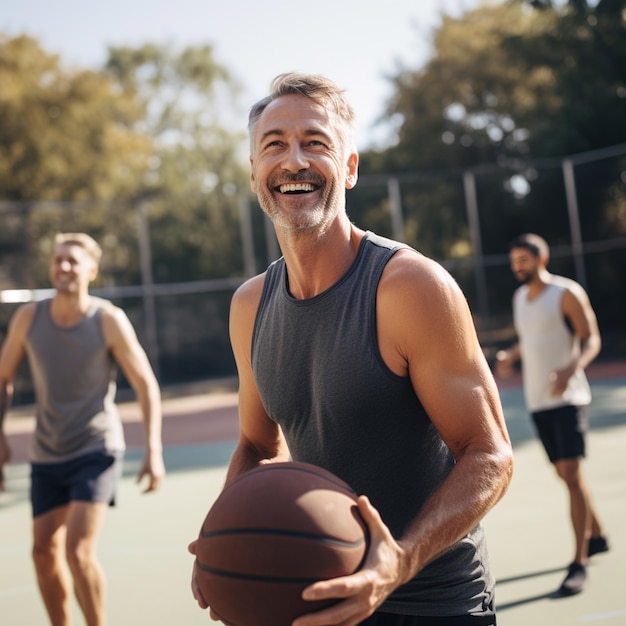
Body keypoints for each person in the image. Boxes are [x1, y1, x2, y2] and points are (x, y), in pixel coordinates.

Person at [188, 73, 514, 625]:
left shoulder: (410, 287)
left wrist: (398, 563)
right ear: (253, 174)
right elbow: (255, 444)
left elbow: (490, 454)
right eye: (274, 145)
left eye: (315, 143)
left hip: (433, 599)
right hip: (320, 599)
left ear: (350, 167)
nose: (294, 161)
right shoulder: (250, 306)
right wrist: (223, 533)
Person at [0, 232, 165, 626]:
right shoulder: (29, 318)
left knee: (77, 551)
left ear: (91, 271)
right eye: (59, 260)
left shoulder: (107, 320)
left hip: (95, 447)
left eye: (73, 261)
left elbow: (145, 383)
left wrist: (153, 451)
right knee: (42, 552)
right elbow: (3, 377)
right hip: (47, 451)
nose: (64, 267)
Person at [495, 233, 609, 596]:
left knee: (571, 474)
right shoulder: (519, 299)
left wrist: (571, 368)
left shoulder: (566, 293)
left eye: (523, 259)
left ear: (541, 259)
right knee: (566, 473)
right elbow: (531, 339)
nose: (517, 266)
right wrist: (511, 357)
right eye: (513, 260)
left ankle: (579, 562)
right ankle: (599, 534)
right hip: (538, 400)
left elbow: (591, 338)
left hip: (569, 398)